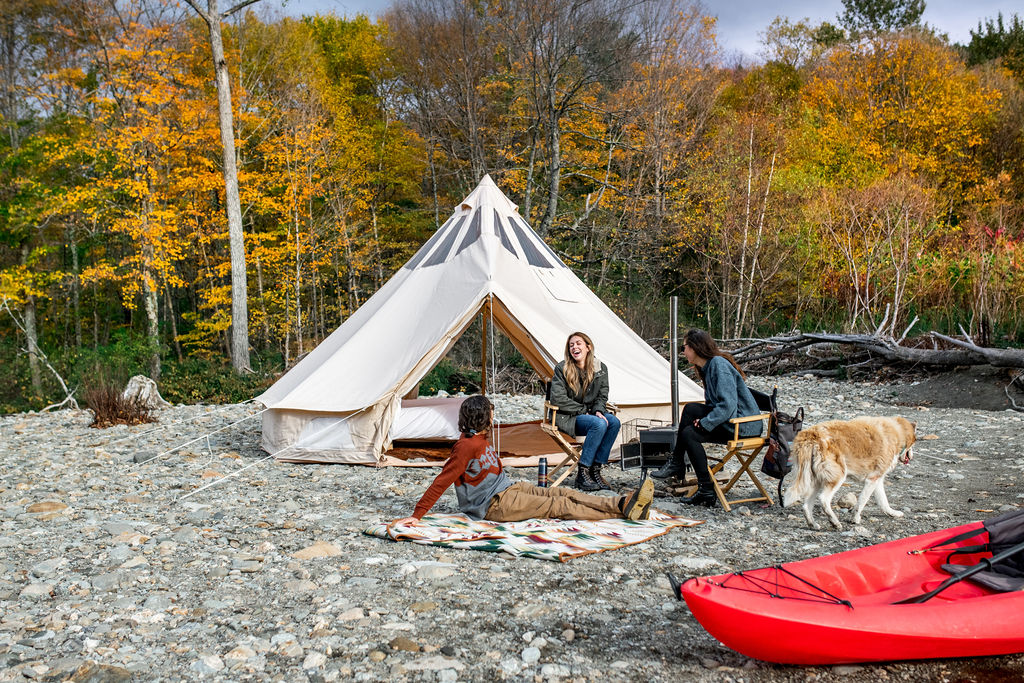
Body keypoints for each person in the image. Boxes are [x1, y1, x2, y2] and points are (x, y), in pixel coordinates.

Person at [392, 395, 653, 525]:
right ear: (483, 418)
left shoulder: (479, 438)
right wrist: (417, 515)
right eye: (491, 414)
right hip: (492, 505)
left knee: (560, 491)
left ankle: (620, 502)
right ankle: (620, 511)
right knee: (557, 505)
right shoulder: (464, 447)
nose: (494, 419)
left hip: (509, 489)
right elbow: (443, 480)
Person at [651, 329, 762, 507]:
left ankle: (683, 468)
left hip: (743, 425)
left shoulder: (718, 364)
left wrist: (705, 422)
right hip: (733, 421)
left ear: (695, 347)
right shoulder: (707, 368)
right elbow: (714, 405)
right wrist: (703, 421)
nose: (683, 352)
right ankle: (704, 489)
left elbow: (728, 406)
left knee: (690, 415)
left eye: (684, 347)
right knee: (689, 426)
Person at [548, 331, 621, 492]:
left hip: (589, 414)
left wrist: (598, 410)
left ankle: (595, 470)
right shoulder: (562, 368)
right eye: (571, 345)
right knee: (599, 424)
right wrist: (583, 411)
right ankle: (583, 472)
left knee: (614, 422)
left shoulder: (600, 368)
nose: (574, 347)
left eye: (578, 343)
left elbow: (603, 394)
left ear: (588, 347)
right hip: (567, 417)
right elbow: (557, 399)